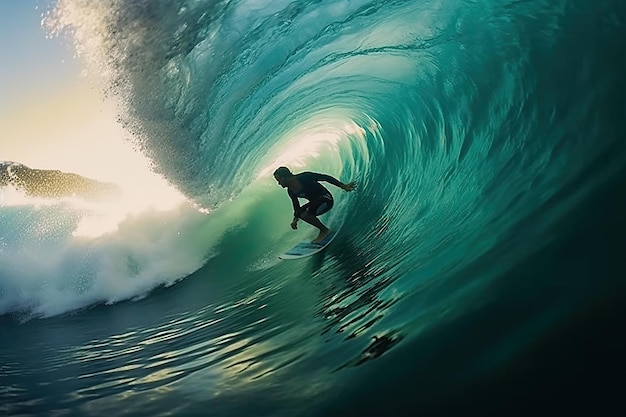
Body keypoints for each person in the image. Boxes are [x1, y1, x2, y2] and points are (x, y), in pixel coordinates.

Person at [273, 166, 357, 243]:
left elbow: (324, 177)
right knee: (300, 213)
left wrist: (342, 186)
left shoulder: (304, 177)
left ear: (284, 177)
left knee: (305, 214)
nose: (279, 183)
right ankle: (323, 229)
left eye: (279, 180)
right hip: (315, 203)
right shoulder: (290, 191)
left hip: (326, 199)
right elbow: (296, 207)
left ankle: (325, 231)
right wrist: (295, 220)